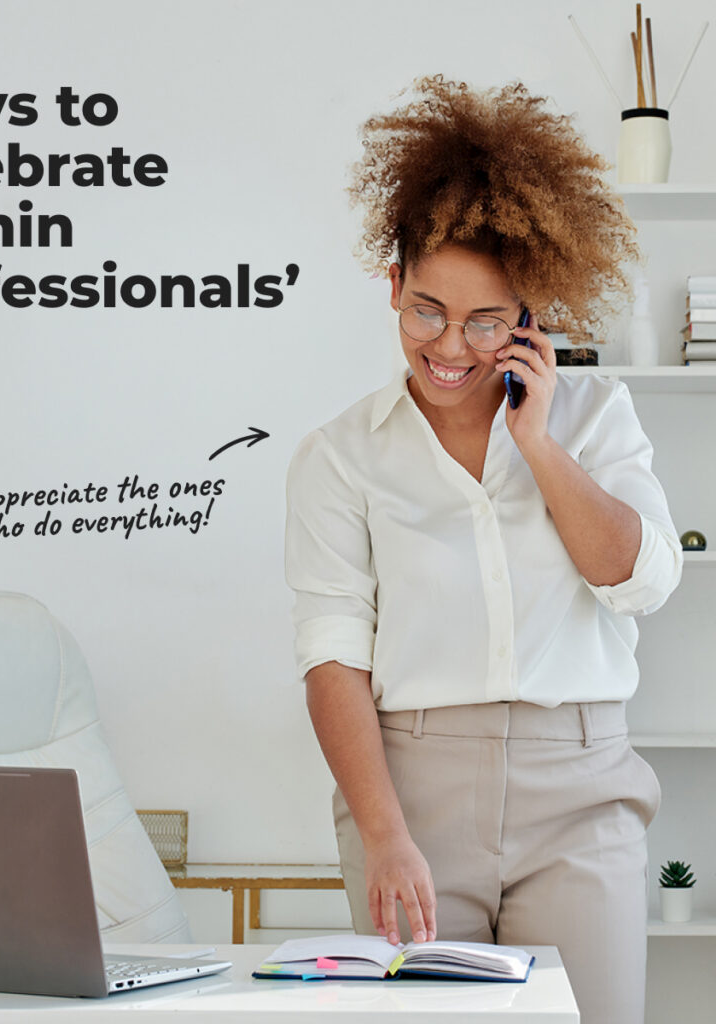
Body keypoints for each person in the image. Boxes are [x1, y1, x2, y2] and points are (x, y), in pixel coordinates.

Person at [285, 76, 682, 1024]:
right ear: (391, 284)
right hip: (412, 792)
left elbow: (641, 579)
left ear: (531, 314)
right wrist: (385, 834)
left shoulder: (596, 416)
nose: (449, 346)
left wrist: (540, 443)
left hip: (581, 782)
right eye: (425, 309)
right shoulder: (340, 456)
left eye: (485, 318)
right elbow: (333, 655)